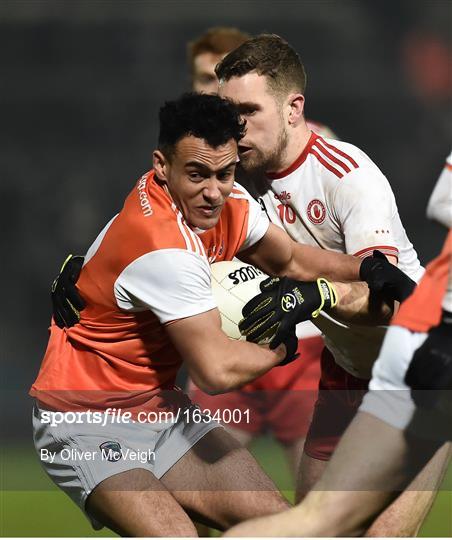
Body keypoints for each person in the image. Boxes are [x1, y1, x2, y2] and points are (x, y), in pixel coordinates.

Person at [33, 92, 390, 536]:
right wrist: (281, 344)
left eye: (224, 173)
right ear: (161, 166)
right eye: (197, 174)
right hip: (85, 419)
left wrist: (369, 267)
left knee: (284, 529)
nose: (212, 192)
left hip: (159, 409)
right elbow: (217, 370)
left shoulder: (230, 201)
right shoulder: (164, 247)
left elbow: (292, 260)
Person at [215, 33, 450, 535]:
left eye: (249, 112)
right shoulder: (236, 177)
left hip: (417, 367)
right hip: (345, 369)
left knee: (380, 535)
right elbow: (165, 205)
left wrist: (317, 294)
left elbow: (386, 299)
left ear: (294, 108)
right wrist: (94, 265)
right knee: (312, 528)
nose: (235, 129)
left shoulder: (347, 175)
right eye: (226, 112)